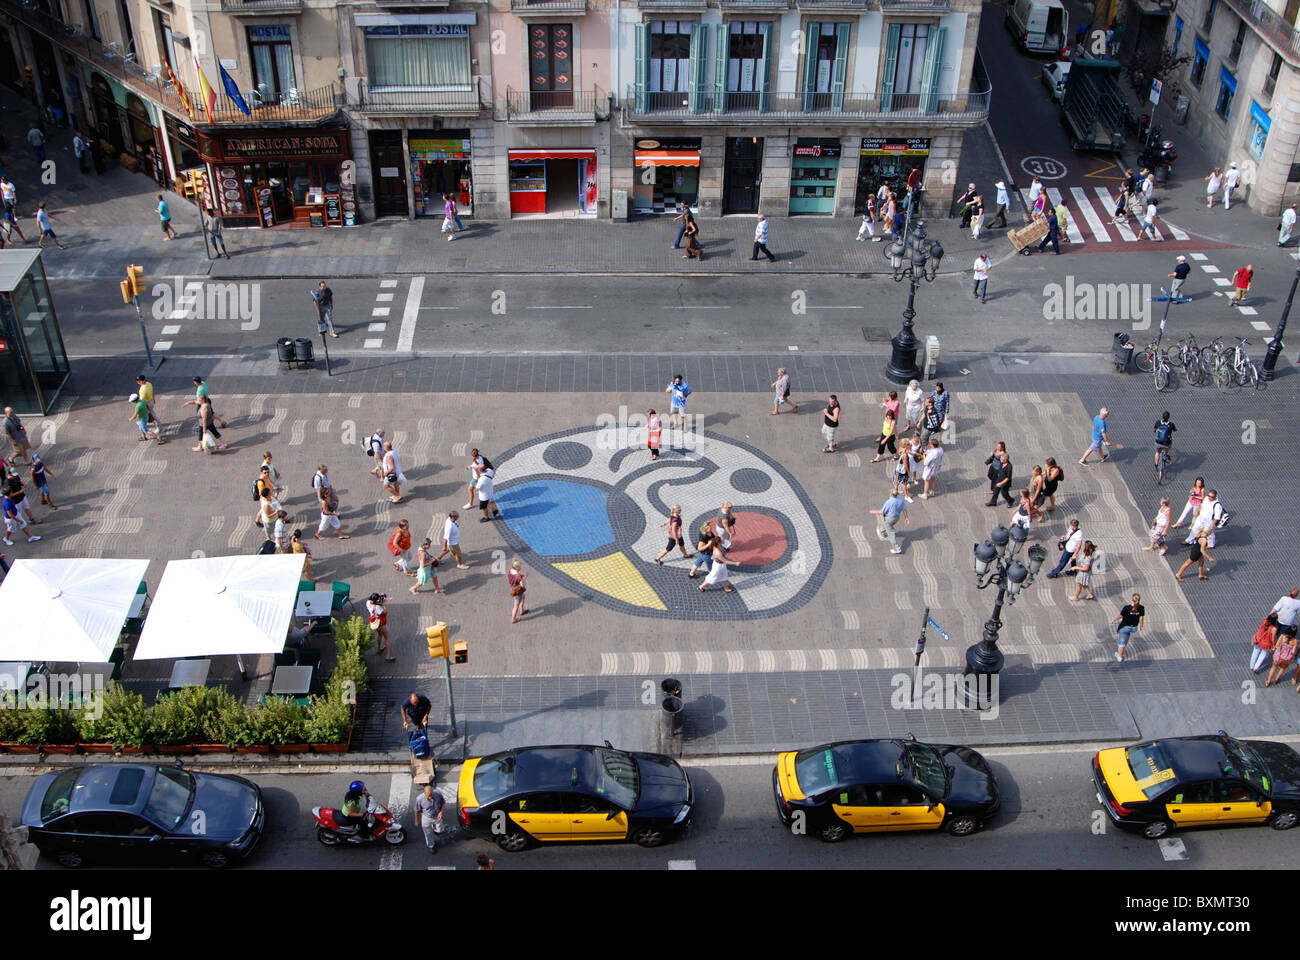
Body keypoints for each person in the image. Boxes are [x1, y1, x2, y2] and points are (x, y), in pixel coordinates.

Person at [870, 486, 909, 555]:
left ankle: (897, 549)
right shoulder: (900, 499)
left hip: (889, 518)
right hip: (897, 518)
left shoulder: (889, 502)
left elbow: (882, 512)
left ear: (890, 494)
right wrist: (906, 518)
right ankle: (883, 531)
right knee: (887, 525)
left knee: (891, 534)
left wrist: (873, 511)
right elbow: (904, 509)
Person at [1111, 594, 1145, 662]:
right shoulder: (1141, 608)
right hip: (1134, 628)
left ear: (1132, 599)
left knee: (1121, 642)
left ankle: (1119, 657)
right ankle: (1121, 651)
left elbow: (1121, 616)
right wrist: (1141, 626)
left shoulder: (1127, 608)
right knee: (1126, 636)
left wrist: (1114, 620)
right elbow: (1141, 618)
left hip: (1125, 627)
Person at [414, 783, 446, 854]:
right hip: (427, 817)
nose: (430, 798)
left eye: (432, 795)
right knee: (428, 833)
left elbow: (443, 803)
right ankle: (431, 845)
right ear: (424, 793)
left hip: (437, 816)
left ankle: (436, 831)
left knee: (440, 829)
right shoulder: (419, 799)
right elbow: (417, 810)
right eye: (428, 796)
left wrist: (441, 812)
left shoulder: (438, 794)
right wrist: (416, 820)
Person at [368, 593, 392, 660]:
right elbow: (385, 612)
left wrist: (379, 601)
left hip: (375, 623)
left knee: (380, 634)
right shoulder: (377, 607)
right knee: (387, 638)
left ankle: (379, 649)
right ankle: (388, 656)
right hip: (381, 624)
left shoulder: (368, 603)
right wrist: (383, 604)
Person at [508, 557, 529, 622]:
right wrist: (524, 579)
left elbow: (514, 578)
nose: (520, 569)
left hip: (513, 587)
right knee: (516, 606)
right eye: (520, 568)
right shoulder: (518, 576)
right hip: (518, 591)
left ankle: (522, 610)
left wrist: (521, 576)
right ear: (517, 568)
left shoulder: (510, 571)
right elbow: (522, 585)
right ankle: (513, 619)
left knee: (523, 596)